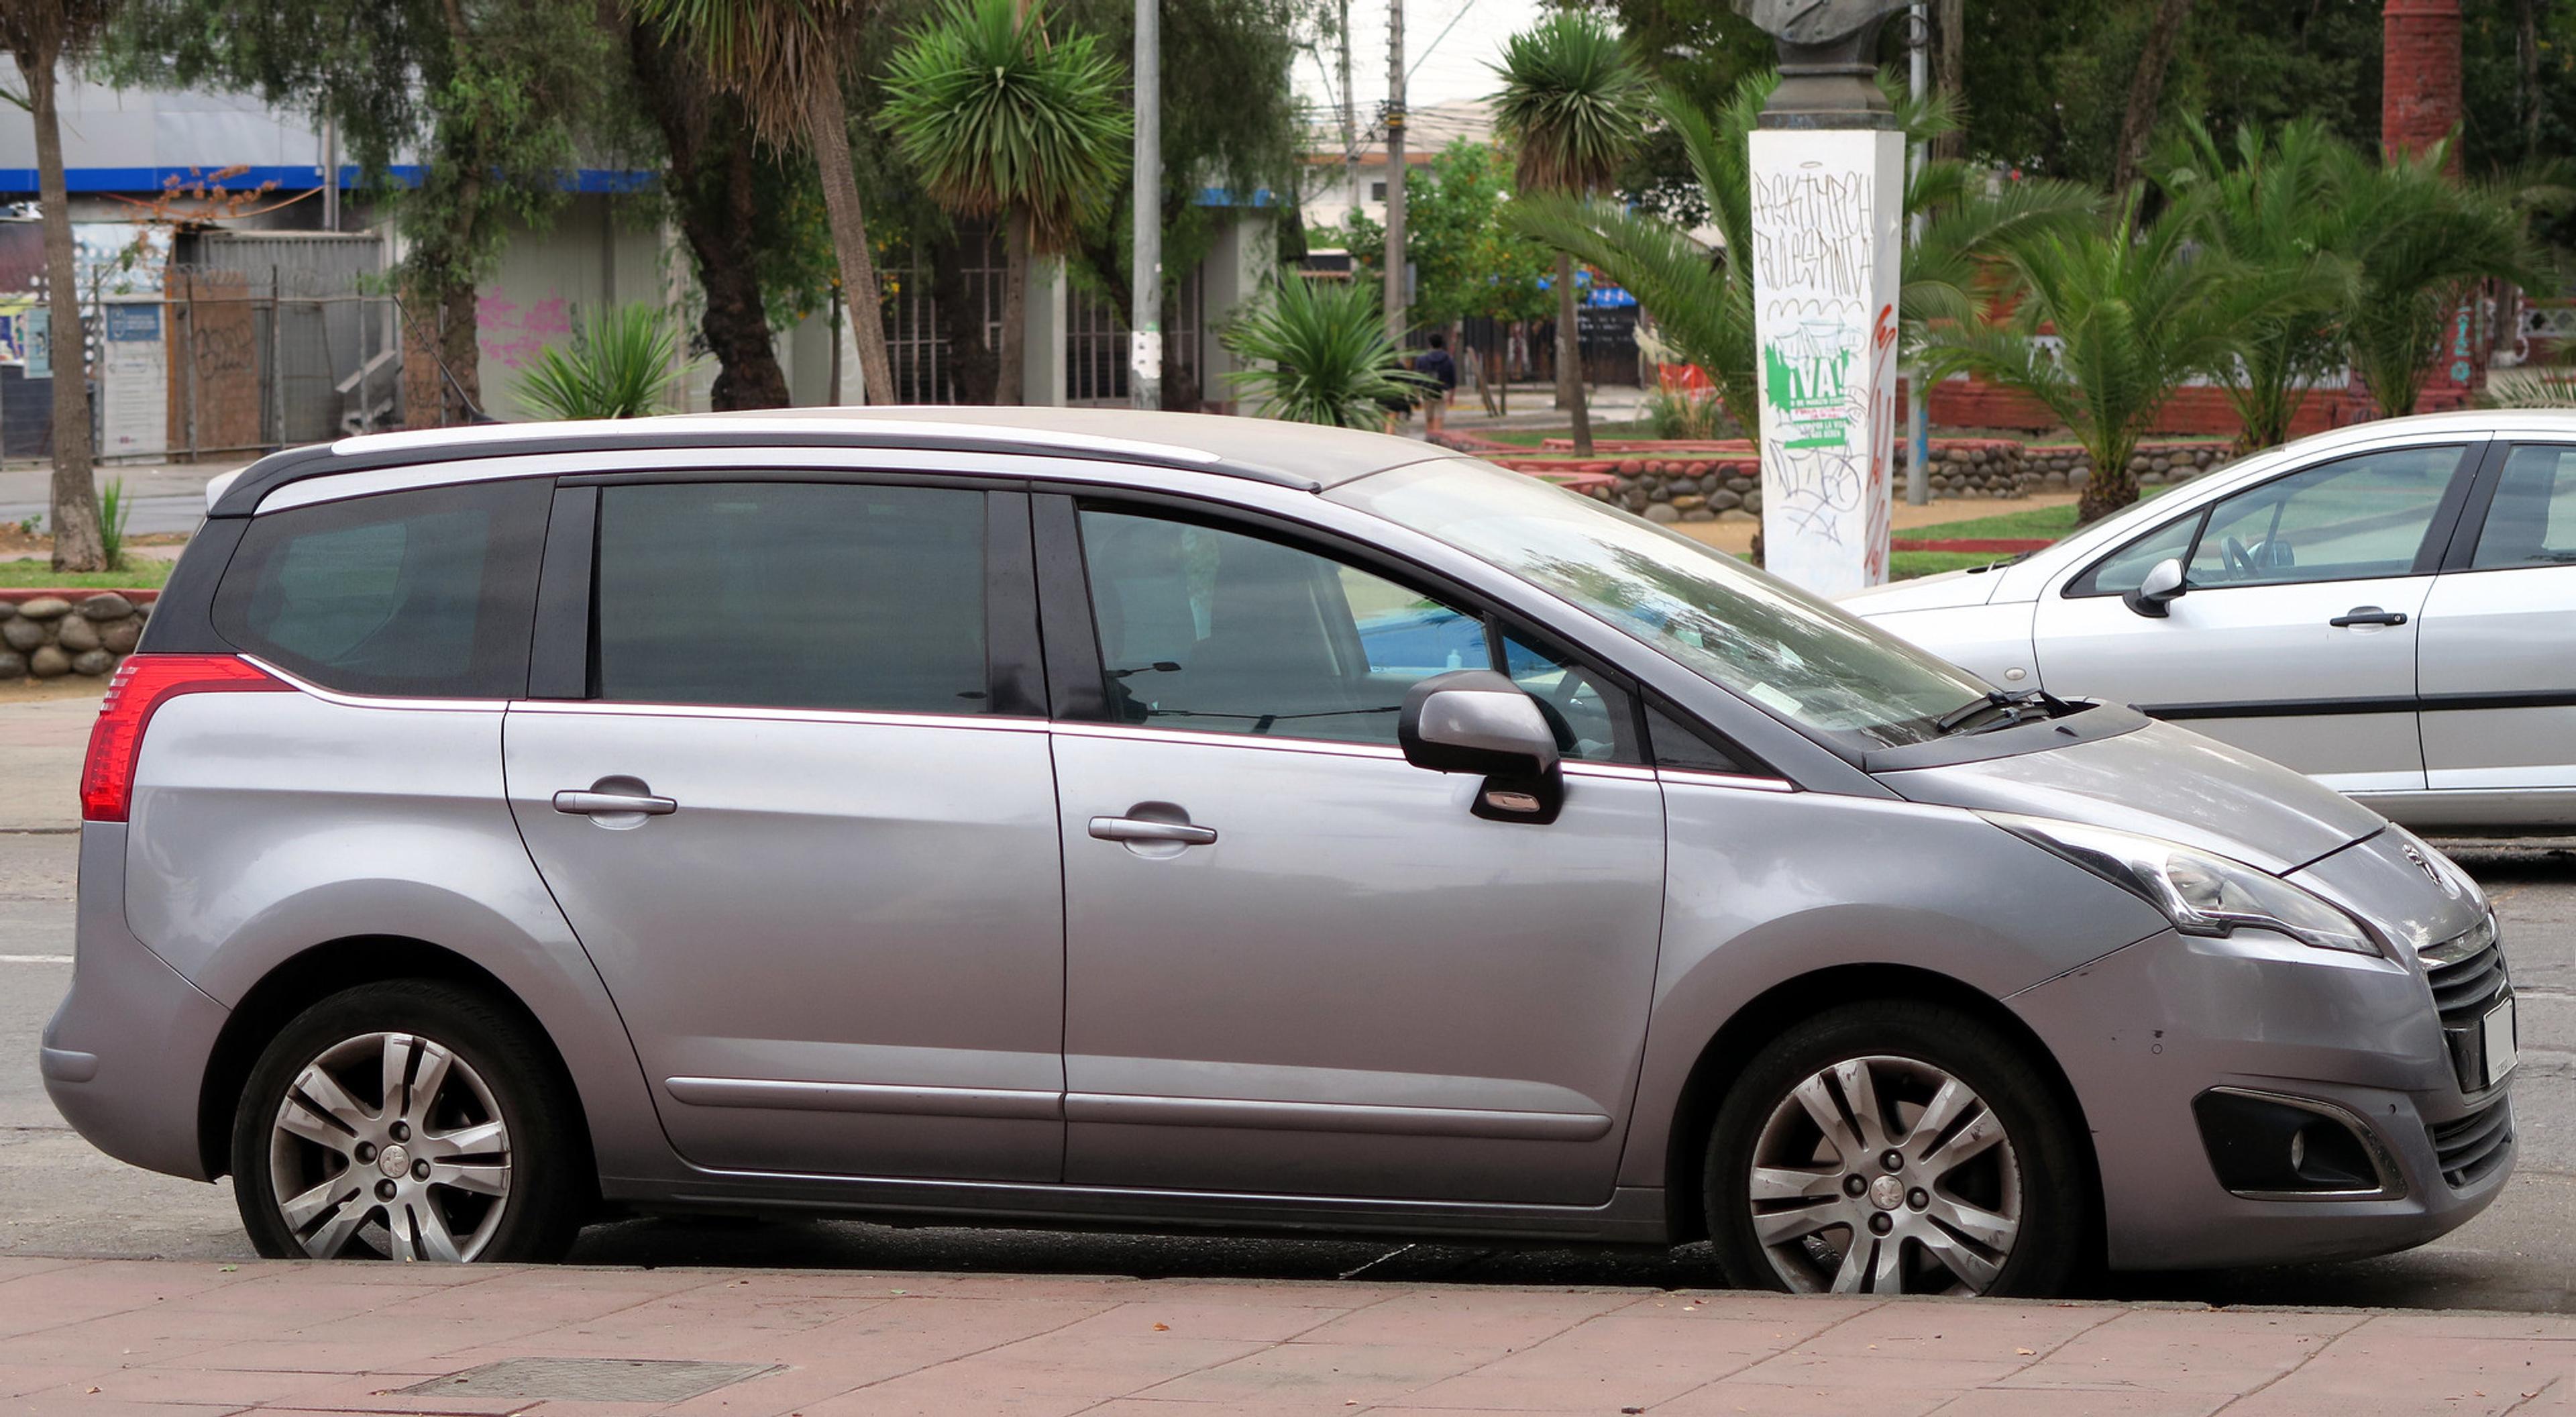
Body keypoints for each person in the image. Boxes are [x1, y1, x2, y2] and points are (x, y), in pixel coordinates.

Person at [1414, 333, 1459, 437]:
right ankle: (1438, 440)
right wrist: (1452, 396)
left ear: (1430, 344)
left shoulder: (1422, 359)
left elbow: (1417, 378)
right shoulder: (1448, 360)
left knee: (1429, 418)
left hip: (1427, 391)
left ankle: (1430, 440)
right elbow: (1452, 379)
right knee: (1439, 417)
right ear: (1441, 344)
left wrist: (1417, 395)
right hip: (1442, 391)